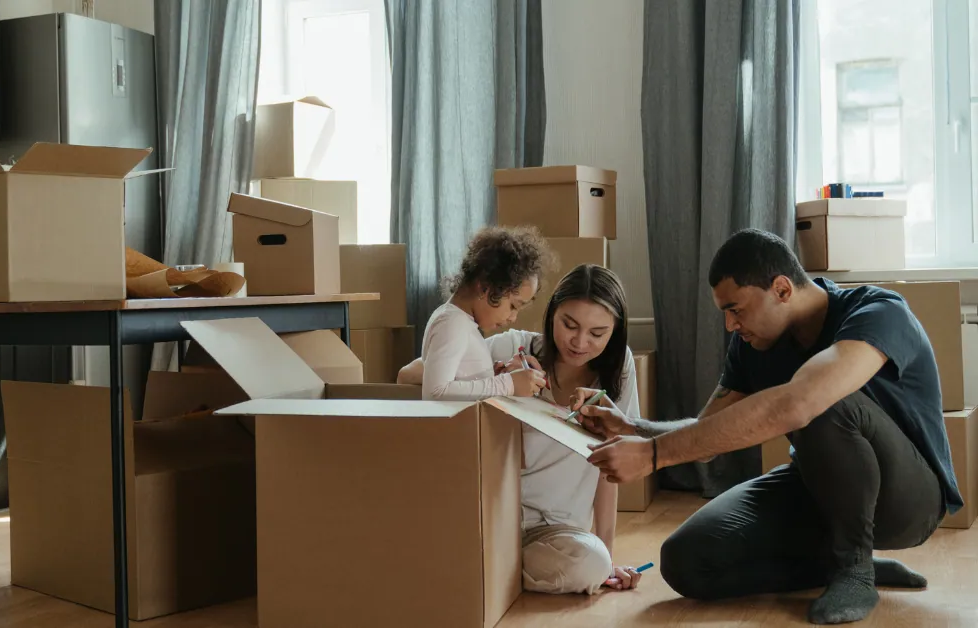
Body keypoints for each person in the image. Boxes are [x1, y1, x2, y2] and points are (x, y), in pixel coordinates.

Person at [573, 229, 958, 624]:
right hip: (816, 489)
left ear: (782, 289)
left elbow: (802, 402)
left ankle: (854, 570)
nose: (729, 325)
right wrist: (634, 428)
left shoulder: (878, 311)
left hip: (909, 501)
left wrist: (654, 457)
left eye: (736, 309)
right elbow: (709, 432)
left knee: (822, 399)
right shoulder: (752, 343)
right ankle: (836, 564)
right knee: (686, 560)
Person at [400, 263, 646, 594]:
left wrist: (608, 556)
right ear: (551, 314)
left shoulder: (619, 371)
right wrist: (498, 379)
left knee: (592, 564)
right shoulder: (512, 347)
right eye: (569, 324)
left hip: (556, 532)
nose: (579, 342)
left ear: (615, 332)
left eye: (597, 333)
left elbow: (610, 466)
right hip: (492, 517)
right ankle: (488, 567)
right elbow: (409, 375)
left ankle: (485, 570)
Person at [418, 225, 551, 401]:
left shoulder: (462, 322)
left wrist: (491, 379)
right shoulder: (452, 323)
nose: (513, 318)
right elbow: (435, 392)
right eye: (513, 306)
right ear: (485, 286)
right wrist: (507, 384)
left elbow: (460, 383)